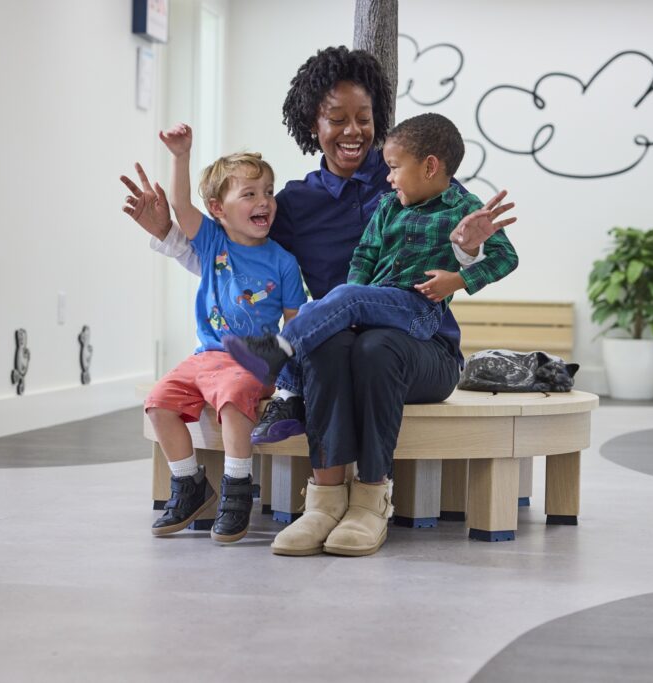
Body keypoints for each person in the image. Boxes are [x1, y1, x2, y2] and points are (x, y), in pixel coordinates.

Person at [122, 46, 516, 557]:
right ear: (314, 123)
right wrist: (170, 237)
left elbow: (470, 241)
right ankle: (325, 502)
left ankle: (372, 498)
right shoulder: (295, 203)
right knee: (330, 347)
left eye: (364, 119)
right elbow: (240, 260)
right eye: (337, 119)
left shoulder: (409, 179)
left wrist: (469, 253)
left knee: (375, 349)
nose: (353, 131)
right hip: (333, 350)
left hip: (421, 351)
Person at [222, 113, 518, 400]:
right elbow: (364, 256)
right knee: (325, 306)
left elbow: (506, 257)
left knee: (348, 300)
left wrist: (458, 280)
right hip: (382, 301)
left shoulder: (463, 207)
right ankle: (291, 387)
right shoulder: (390, 206)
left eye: (394, 168)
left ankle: (279, 351)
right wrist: (354, 290)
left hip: (418, 310)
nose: (388, 177)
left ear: (428, 167)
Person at [122, 125, 307, 543]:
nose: (264, 201)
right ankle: (189, 485)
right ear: (217, 208)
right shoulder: (210, 242)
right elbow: (180, 205)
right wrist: (180, 156)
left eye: (268, 191)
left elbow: (296, 327)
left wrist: (285, 374)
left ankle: (237, 490)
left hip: (251, 364)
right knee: (158, 402)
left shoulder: (284, 263)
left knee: (232, 399)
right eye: (250, 194)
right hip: (204, 357)